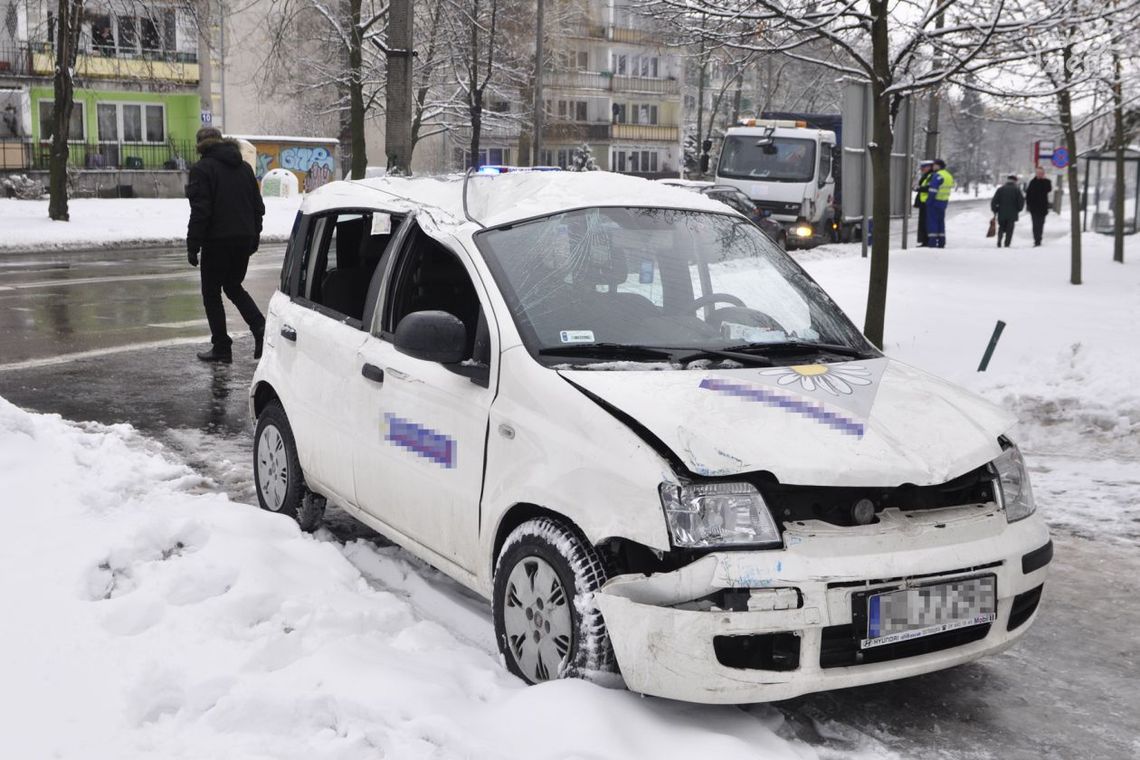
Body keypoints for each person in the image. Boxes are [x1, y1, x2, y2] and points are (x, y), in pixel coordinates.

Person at [186, 127, 266, 363]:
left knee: (211, 293)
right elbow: (257, 207)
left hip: (217, 241)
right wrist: (253, 237)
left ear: (201, 145)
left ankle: (221, 346)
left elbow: (201, 211)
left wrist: (193, 244)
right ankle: (260, 327)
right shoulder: (244, 168)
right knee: (232, 286)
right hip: (243, 238)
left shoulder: (202, 169)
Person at [924, 158, 954, 248]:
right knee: (941, 222)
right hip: (944, 202)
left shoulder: (937, 175)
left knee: (933, 222)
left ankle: (932, 242)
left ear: (938, 166)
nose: (932, 167)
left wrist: (929, 201)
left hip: (935, 202)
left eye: (934, 165)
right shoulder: (948, 175)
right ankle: (942, 241)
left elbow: (933, 190)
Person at [991, 175, 1025, 248]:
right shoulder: (1017, 190)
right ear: (1015, 181)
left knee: (1001, 227)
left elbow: (994, 201)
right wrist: (1018, 209)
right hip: (1012, 214)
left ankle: (999, 240)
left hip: (1001, 213)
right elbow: (1021, 202)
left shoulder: (1000, 189)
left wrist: (995, 210)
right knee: (1010, 229)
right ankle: (1007, 243)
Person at [1025, 165, 1053, 247]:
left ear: (1043, 173)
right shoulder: (1032, 182)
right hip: (1034, 208)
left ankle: (1039, 238)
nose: (1039, 174)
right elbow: (1028, 195)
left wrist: (1043, 180)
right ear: (1036, 173)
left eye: (1041, 173)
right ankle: (1036, 240)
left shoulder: (1047, 182)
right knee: (1035, 224)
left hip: (1043, 208)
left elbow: (1049, 189)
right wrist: (1028, 205)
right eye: (1038, 173)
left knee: (1041, 224)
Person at [914, 160, 934, 246]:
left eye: (924, 167)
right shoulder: (927, 175)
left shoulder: (931, 176)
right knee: (923, 222)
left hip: (927, 203)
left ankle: (926, 241)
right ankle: (924, 241)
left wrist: (918, 188)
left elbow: (928, 188)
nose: (922, 169)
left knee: (926, 222)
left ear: (929, 167)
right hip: (924, 202)